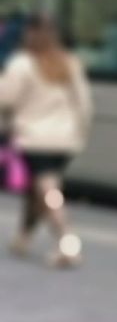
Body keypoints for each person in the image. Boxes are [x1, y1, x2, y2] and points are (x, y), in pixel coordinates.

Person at [0, 15, 92, 267]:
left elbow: (5, 98)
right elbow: (84, 104)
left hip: (34, 139)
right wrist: (79, 135)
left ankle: (68, 244)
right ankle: (23, 237)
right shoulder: (69, 63)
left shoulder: (22, 64)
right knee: (36, 192)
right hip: (64, 140)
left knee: (49, 193)